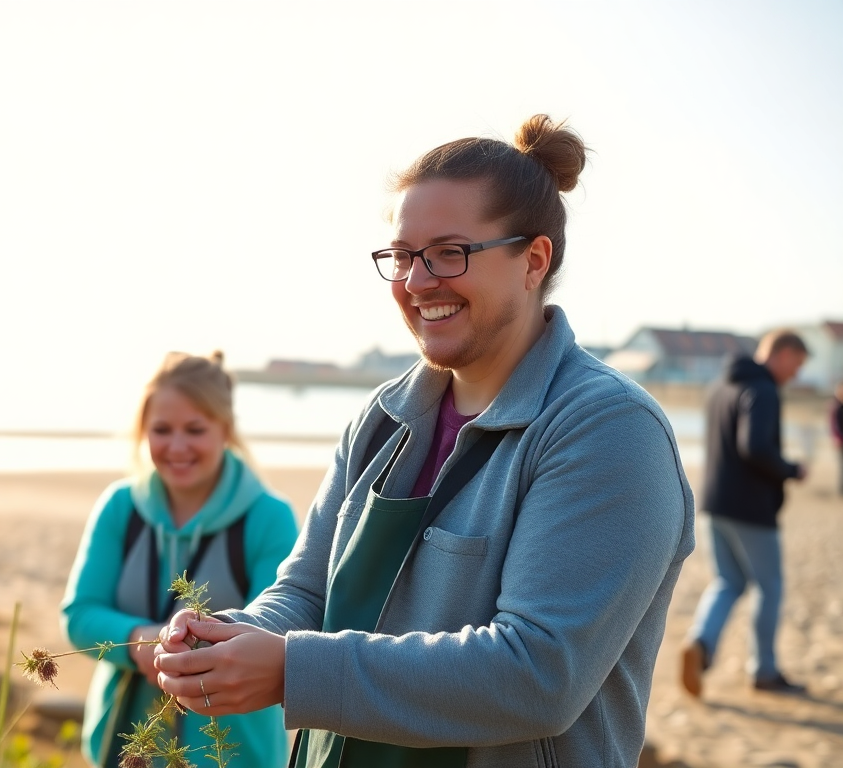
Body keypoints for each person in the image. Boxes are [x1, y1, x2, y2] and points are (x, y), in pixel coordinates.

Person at [152, 115, 696, 767]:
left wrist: (292, 671)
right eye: (403, 256)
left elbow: (537, 675)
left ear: (534, 259)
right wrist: (229, 638)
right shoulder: (382, 419)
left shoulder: (606, 430)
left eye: (449, 252)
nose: (415, 282)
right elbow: (306, 594)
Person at [60, 350, 300, 768]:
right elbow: (79, 616)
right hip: (122, 749)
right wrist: (141, 643)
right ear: (142, 432)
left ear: (225, 429)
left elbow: (283, 626)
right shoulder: (119, 507)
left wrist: (187, 651)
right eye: (161, 430)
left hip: (235, 754)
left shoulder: (269, 517)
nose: (176, 446)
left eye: (194, 429)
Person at [680, 329, 810, 698]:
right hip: (750, 509)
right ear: (782, 354)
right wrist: (790, 470)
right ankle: (764, 671)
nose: (796, 374)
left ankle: (700, 644)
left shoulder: (720, 386)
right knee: (770, 587)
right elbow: (753, 446)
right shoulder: (763, 389)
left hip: (713, 503)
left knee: (729, 581)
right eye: (797, 364)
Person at [831, 382, 843, 496]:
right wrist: (837, 438)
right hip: (840, 441)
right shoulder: (835, 406)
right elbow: (833, 425)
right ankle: (841, 490)